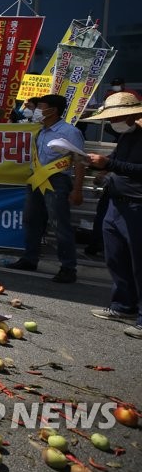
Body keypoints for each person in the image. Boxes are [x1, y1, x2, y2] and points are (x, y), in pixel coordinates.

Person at [6, 94, 85, 283]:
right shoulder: (41, 131)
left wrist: (77, 189)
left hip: (57, 180)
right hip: (36, 179)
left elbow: (80, 162)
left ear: (53, 110)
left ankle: (68, 267)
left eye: (41, 106)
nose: (37, 111)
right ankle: (30, 259)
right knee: (31, 221)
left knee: (59, 225)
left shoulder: (70, 132)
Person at [82, 92, 142, 338]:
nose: (114, 123)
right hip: (115, 203)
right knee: (116, 257)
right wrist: (104, 170)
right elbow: (118, 160)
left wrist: (109, 164)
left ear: (131, 114)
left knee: (139, 262)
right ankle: (123, 306)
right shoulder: (127, 136)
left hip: (137, 205)